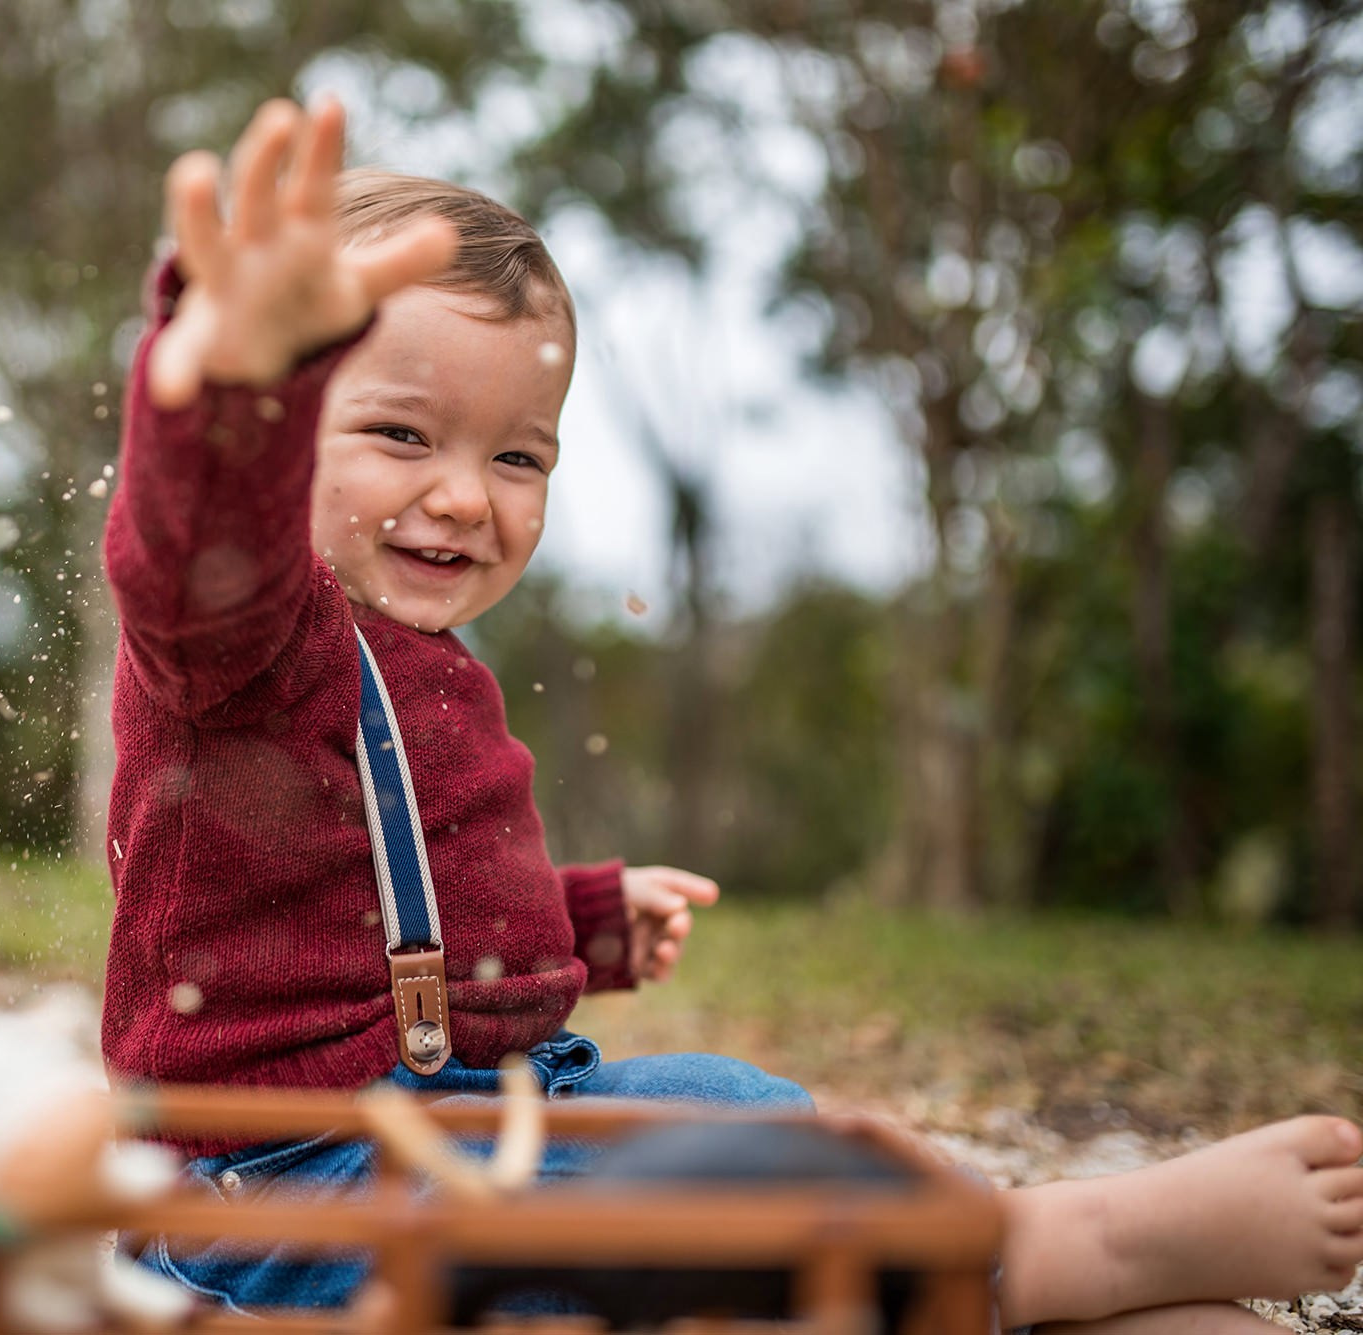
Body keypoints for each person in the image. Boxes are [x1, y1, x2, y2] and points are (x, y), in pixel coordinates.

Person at [97, 94, 1363, 1332]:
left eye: (516, 456)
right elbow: (189, 542)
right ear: (283, 434)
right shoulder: (247, 639)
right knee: (673, 1208)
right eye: (399, 433)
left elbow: (384, 885)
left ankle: (931, 1268)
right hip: (281, 1196)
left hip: (462, 1106)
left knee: (730, 1105)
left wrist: (581, 918)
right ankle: (1021, 1254)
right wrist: (226, 385)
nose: (464, 498)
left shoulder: (415, 656)